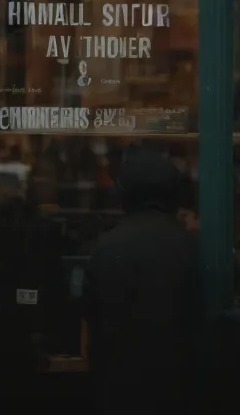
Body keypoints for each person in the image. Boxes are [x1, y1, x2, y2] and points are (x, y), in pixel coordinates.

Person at [83, 151, 201, 415]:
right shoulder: (192, 248)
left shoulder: (104, 249)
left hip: (118, 390)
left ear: (124, 194)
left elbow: (91, 316)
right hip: (178, 390)